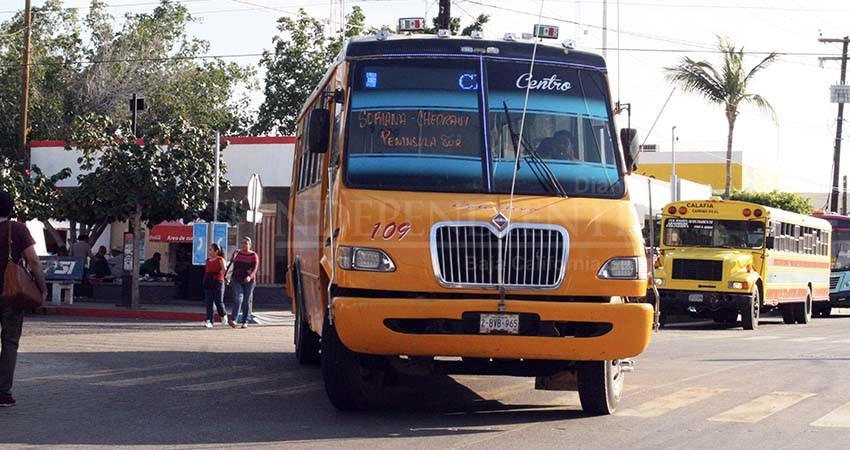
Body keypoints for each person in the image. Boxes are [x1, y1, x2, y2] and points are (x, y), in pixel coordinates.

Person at [0, 190, 48, 407]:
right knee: (9, 342)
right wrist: (41, 287)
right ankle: (3, 392)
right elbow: (34, 261)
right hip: (11, 293)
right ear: (11, 208)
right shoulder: (17, 229)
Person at [229, 237, 259, 329]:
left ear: (250, 245)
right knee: (238, 298)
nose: (244, 245)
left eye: (246, 243)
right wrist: (228, 276)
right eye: (242, 243)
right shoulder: (237, 253)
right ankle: (234, 319)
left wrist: (250, 276)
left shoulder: (253, 255)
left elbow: (255, 268)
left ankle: (245, 320)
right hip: (236, 279)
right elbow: (231, 265)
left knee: (247, 300)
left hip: (248, 280)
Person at [203, 244, 228, 328]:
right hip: (208, 281)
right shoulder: (208, 260)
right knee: (209, 302)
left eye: (211, 250)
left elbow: (224, 270)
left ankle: (223, 315)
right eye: (209, 249)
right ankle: (209, 320)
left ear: (216, 251)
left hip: (218, 281)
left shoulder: (220, 259)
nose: (209, 251)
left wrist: (225, 278)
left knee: (218, 301)